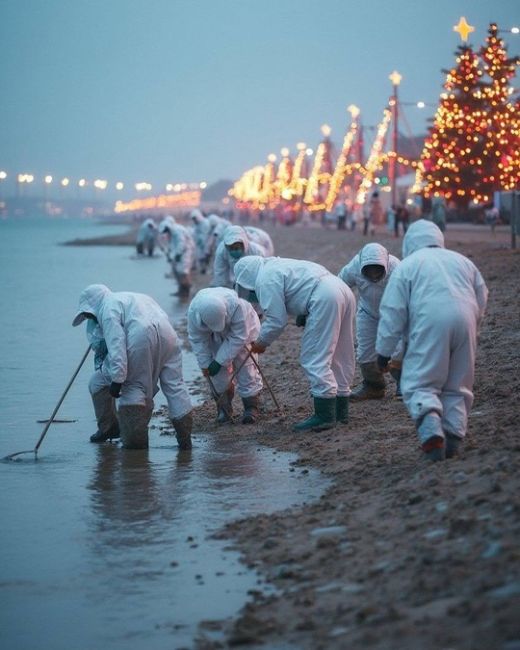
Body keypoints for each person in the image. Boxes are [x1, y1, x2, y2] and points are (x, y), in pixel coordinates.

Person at [376, 220, 488, 462]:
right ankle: (454, 434)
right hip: (466, 319)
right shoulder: (462, 261)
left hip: (429, 321)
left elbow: (393, 310)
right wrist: (473, 327)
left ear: (409, 242)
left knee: (420, 381)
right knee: (458, 383)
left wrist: (383, 351)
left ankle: (432, 434)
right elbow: (482, 294)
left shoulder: (408, 266)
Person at [234, 256, 356, 431]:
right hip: (342, 290)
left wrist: (261, 342)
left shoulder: (264, 279)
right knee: (340, 352)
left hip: (324, 296)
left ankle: (325, 415)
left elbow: (276, 320)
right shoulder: (277, 265)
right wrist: (303, 312)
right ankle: (341, 410)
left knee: (314, 357)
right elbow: (301, 287)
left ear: (246, 279)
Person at [72, 284, 193, 450]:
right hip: (169, 336)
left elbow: (116, 344)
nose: (89, 319)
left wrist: (117, 379)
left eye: (88, 315)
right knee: (174, 385)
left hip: (139, 339)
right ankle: (185, 441)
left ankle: (135, 453)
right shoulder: (132, 297)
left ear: (93, 307)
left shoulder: (107, 309)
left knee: (131, 387)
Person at [187, 287, 263, 424]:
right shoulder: (194, 313)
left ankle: (251, 407)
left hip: (242, 333)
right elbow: (198, 340)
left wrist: (219, 361)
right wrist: (206, 364)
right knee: (217, 375)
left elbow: (238, 337)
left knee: (246, 368)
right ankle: (224, 408)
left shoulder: (238, 306)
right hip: (213, 337)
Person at [338, 243, 403, 400]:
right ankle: (374, 387)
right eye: (370, 270)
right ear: (362, 265)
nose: (374, 274)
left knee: (398, 350)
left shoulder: (398, 269)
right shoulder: (353, 267)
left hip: (395, 314)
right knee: (365, 352)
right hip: (368, 313)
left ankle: (405, 384)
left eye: (377, 269)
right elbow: (338, 286)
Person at [211, 225, 267, 289]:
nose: (234, 250)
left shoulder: (256, 252)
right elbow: (220, 272)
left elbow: (261, 274)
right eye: (231, 248)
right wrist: (220, 289)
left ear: (244, 244)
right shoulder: (222, 251)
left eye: (237, 248)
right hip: (233, 279)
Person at [159, 217, 195, 298]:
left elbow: (181, 244)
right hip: (179, 253)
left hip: (186, 252)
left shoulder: (178, 230)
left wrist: (176, 255)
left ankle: (186, 292)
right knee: (176, 271)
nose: (165, 233)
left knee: (183, 272)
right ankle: (181, 290)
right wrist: (170, 254)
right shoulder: (170, 232)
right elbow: (172, 245)